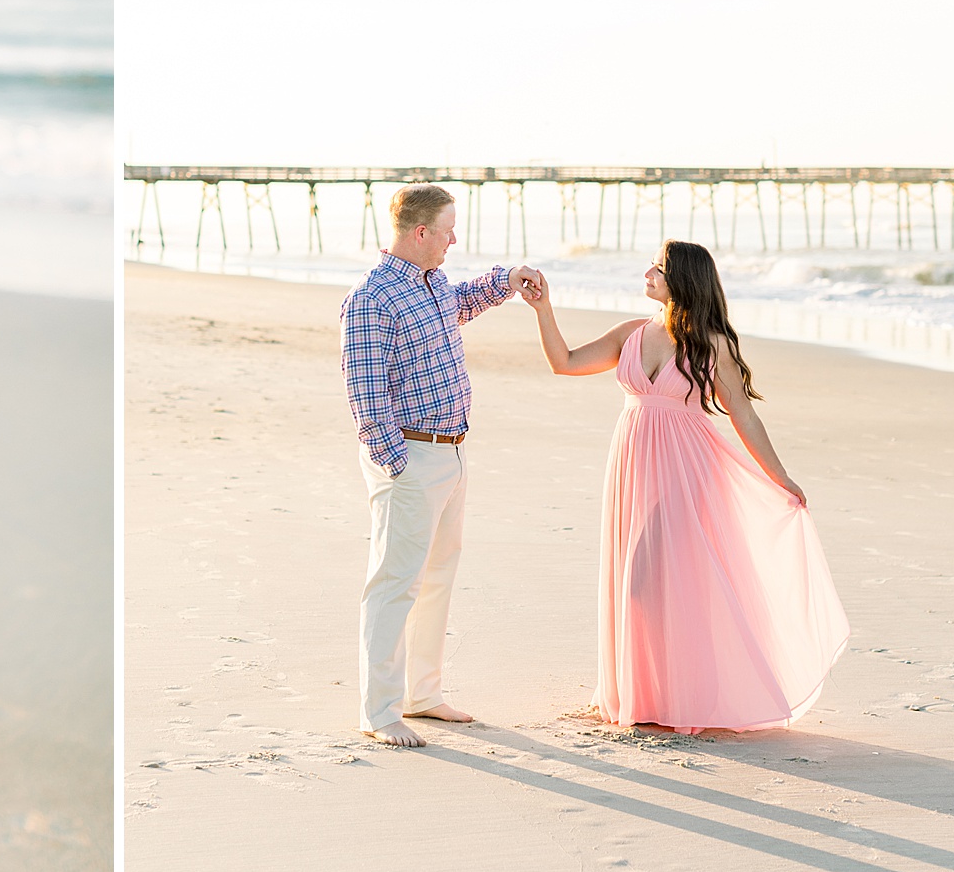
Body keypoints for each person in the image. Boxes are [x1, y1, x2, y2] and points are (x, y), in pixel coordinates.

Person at [519, 241, 849, 734]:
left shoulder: (710, 343)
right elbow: (563, 362)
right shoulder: (631, 333)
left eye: (659, 266)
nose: (648, 271)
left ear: (684, 280)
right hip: (632, 464)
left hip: (688, 468)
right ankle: (646, 695)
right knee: (641, 582)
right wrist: (544, 309)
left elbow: (743, 413)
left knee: (652, 582)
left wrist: (779, 477)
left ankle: (684, 696)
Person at [340, 184, 540, 748]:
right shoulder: (371, 298)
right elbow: (365, 393)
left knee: (437, 578)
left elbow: (462, 303)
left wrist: (507, 280)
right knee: (394, 582)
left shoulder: (432, 285)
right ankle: (378, 711)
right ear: (420, 232)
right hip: (410, 456)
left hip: (451, 451)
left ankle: (422, 695)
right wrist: (395, 464)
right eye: (448, 230)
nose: (456, 239)